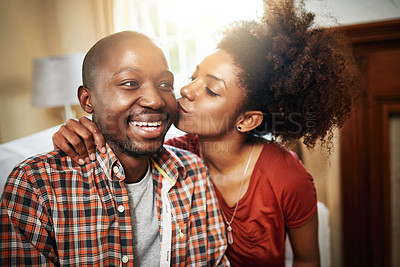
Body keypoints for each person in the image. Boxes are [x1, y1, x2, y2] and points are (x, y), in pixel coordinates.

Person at [52, 0, 362, 266]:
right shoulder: (169, 157)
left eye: (211, 90)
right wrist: (77, 131)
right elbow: (123, 140)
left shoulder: (287, 177)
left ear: (247, 120)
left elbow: (308, 260)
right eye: (193, 77)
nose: (185, 90)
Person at [0, 31, 229, 266]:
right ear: (88, 100)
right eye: (130, 83)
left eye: (164, 84)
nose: (155, 100)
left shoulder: (193, 173)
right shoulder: (36, 185)